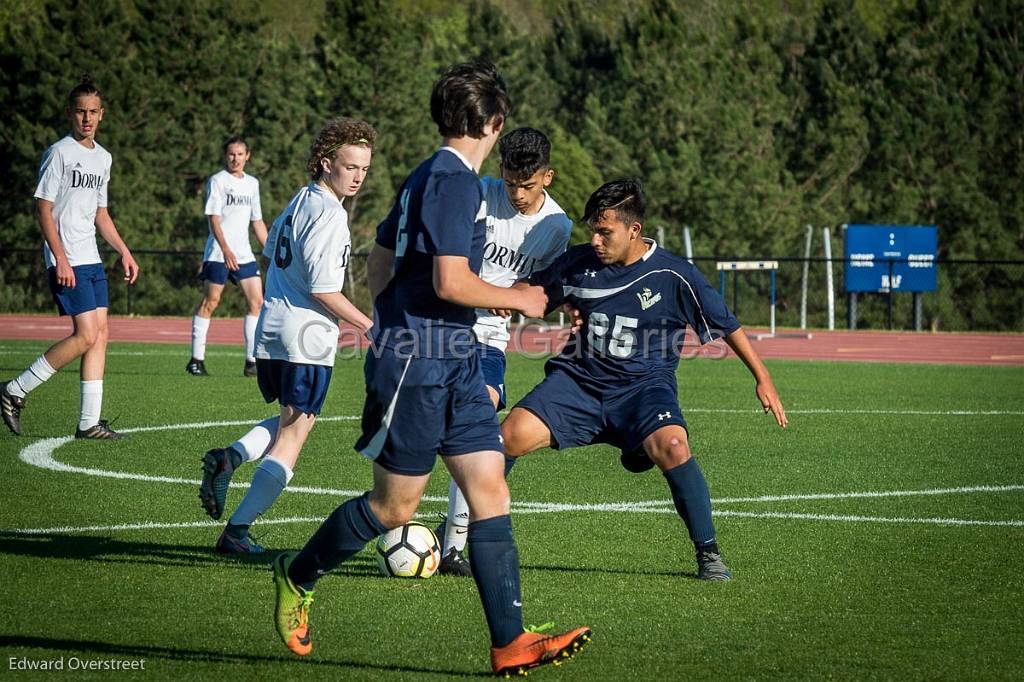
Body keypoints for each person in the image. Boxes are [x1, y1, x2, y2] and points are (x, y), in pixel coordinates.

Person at [270, 61, 591, 676]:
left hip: (457, 357)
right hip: (418, 363)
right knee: (394, 510)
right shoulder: (452, 183)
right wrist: (519, 298)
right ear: (494, 123)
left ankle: (510, 641)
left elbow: (382, 255)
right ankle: (297, 571)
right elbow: (448, 279)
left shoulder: (428, 176)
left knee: (490, 487)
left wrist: (393, 311)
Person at [501, 179, 788, 581]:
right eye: (592, 231)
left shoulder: (674, 274)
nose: (596, 241)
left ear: (634, 230)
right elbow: (531, 293)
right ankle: (466, 537)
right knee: (507, 435)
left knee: (672, 445)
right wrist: (506, 299)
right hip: (578, 383)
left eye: (606, 232)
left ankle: (708, 554)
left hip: (643, 390)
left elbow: (727, 324)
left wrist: (763, 377)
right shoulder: (578, 262)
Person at [197, 118, 375, 553]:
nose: (357, 177)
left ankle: (230, 458)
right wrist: (371, 325)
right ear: (325, 162)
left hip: (272, 330)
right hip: (306, 337)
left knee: (287, 422)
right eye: (350, 166)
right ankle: (237, 532)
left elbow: (269, 251)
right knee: (294, 437)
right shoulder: (331, 214)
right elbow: (323, 290)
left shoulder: (300, 200)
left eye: (364, 169)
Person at [436, 126, 572, 577]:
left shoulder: (558, 226)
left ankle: (453, 540)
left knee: (481, 415)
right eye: (511, 182)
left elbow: (543, 285)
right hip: (447, 324)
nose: (517, 192)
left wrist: (544, 300)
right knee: (449, 427)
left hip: (491, 334)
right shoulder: (478, 194)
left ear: (547, 177)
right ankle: (439, 530)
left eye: (527, 185)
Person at [0, 76, 140, 439]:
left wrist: (123, 251)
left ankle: (88, 423)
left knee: (101, 334)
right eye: (80, 112)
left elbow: (101, 214)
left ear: (102, 115)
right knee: (85, 335)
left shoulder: (104, 158)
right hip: (68, 258)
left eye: (93, 112)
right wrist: (59, 258)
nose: (87, 118)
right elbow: (43, 209)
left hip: (91, 256)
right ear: (70, 114)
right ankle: (14, 389)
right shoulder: (59, 152)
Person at [186, 136, 268, 377]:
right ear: (226, 156)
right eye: (231, 154)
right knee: (211, 302)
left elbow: (258, 221)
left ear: (247, 156)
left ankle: (251, 362)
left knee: (257, 302)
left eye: (240, 154)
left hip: (244, 254)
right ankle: (196, 360)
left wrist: (270, 251)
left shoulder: (252, 184)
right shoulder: (218, 181)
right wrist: (226, 250)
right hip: (219, 253)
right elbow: (213, 218)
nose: (236, 158)